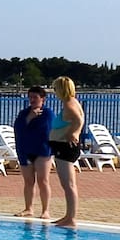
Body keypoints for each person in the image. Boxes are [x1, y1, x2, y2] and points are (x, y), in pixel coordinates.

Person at [46, 77, 85, 228]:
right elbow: (77, 120)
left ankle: (71, 218)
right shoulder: (71, 102)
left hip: (65, 148)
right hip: (63, 147)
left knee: (68, 185)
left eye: (55, 88)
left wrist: (74, 133)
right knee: (68, 184)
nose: (54, 92)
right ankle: (68, 216)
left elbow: (78, 120)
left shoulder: (69, 104)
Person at [12, 87, 55, 219]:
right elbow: (18, 128)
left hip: (42, 151)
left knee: (43, 180)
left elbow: (48, 130)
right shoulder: (24, 113)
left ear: (43, 99)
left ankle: (45, 210)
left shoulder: (47, 113)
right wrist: (30, 117)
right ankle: (28, 208)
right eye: (30, 97)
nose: (32, 100)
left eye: (35, 97)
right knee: (28, 181)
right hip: (25, 150)